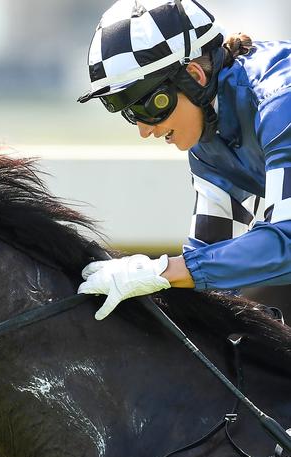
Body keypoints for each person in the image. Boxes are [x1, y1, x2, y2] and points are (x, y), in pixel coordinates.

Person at [76, 0, 291, 320]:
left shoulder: (280, 99)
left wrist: (160, 270)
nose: (145, 130)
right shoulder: (209, 140)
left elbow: (286, 242)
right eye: (130, 114)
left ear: (194, 76)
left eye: (151, 106)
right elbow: (208, 269)